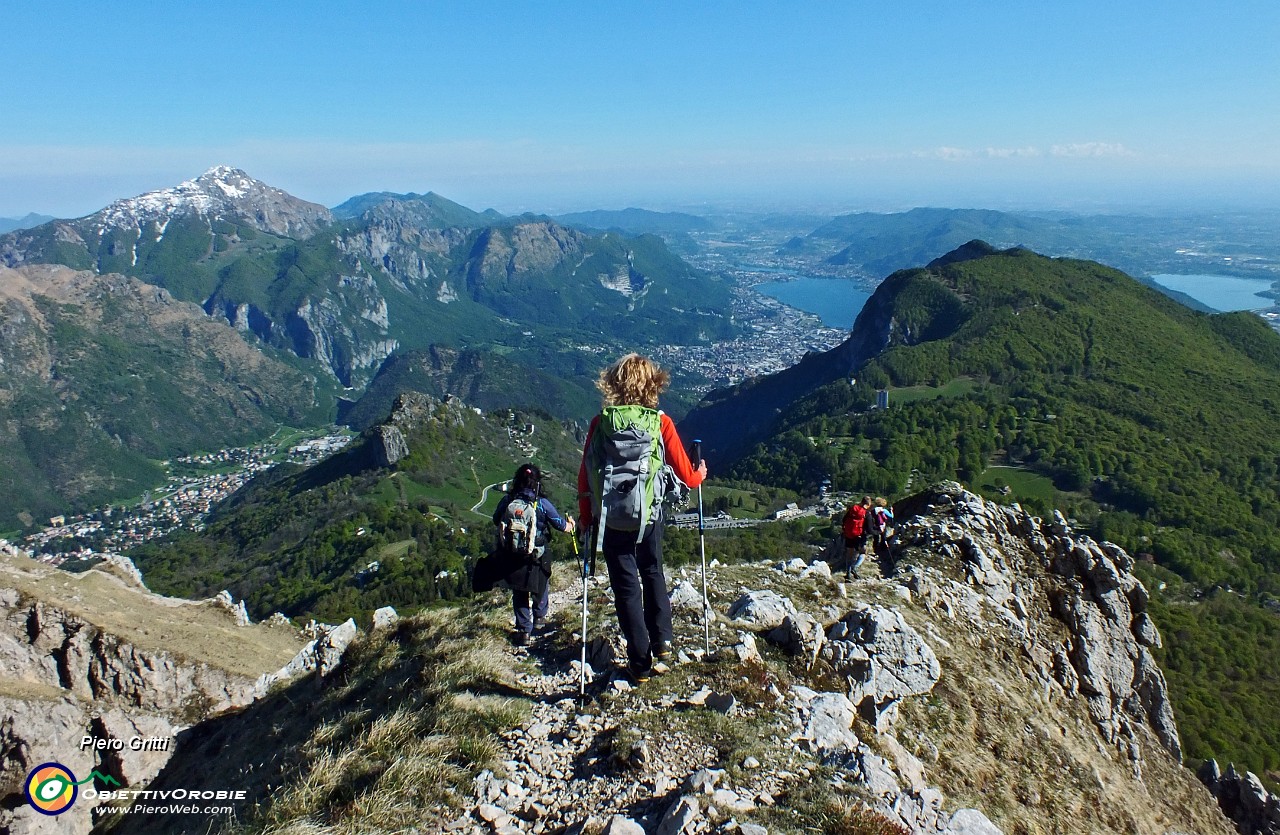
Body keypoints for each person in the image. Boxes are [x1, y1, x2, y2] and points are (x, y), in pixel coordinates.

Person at [578, 354, 706, 683]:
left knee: (625, 588)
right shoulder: (660, 422)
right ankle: (662, 641)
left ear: (614, 383)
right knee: (652, 571)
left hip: (610, 519)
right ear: (653, 384)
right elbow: (687, 476)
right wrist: (700, 473)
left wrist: (585, 517)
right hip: (647, 516)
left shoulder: (600, 422)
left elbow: (584, 475)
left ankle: (640, 663)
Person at [492, 463, 574, 647]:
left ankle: (524, 631)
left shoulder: (508, 501)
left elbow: (496, 519)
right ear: (537, 483)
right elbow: (561, 525)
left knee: (519, 591)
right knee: (540, 583)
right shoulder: (542, 504)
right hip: (537, 554)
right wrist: (571, 524)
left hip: (513, 555)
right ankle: (539, 619)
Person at [841, 495, 871, 578]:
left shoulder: (852, 509)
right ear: (868, 504)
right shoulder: (866, 513)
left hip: (849, 534)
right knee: (862, 553)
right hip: (858, 536)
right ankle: (855, 567)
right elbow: (869, 528)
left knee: (849, 554)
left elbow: (844, 520)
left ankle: (848, 573)